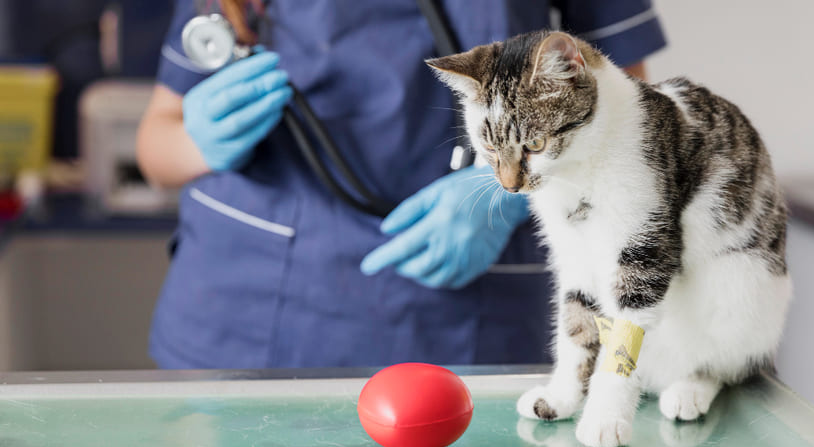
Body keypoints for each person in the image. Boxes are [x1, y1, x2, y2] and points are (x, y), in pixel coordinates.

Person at [136, 0, 667, 369]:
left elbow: (631, 113)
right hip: (246, 319)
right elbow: (155, 147)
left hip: (468, 324)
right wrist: (197, 142)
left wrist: (506, 198)